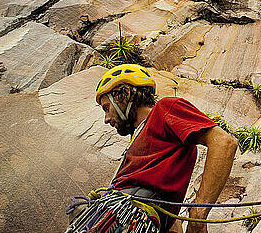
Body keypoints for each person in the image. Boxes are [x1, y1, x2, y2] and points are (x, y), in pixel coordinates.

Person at [91, 63, 238, 233]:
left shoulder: (165, 109)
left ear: (125, 94)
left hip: (133, 215)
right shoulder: (137, 140)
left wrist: (197, 214)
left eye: (107, 108)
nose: (106, 119)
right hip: (128, 215)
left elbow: (224, 143)